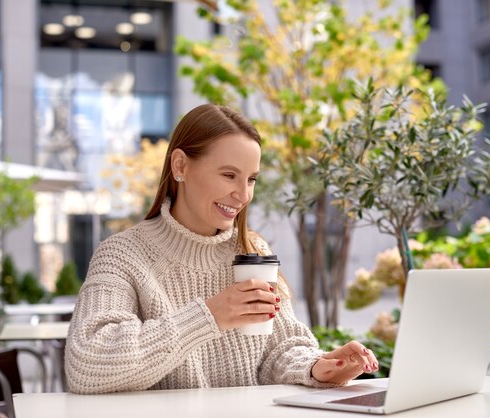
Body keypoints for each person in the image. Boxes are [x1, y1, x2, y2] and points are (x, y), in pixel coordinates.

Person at [65, 104, 379, 394]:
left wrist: (318, 367)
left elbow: (280, 350)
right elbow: (87, 364)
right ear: (180, 166)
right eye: (229, 175)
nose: (242, 195)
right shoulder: (122, 254)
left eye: (252, 179)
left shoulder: (251, 249)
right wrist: (210, 316)